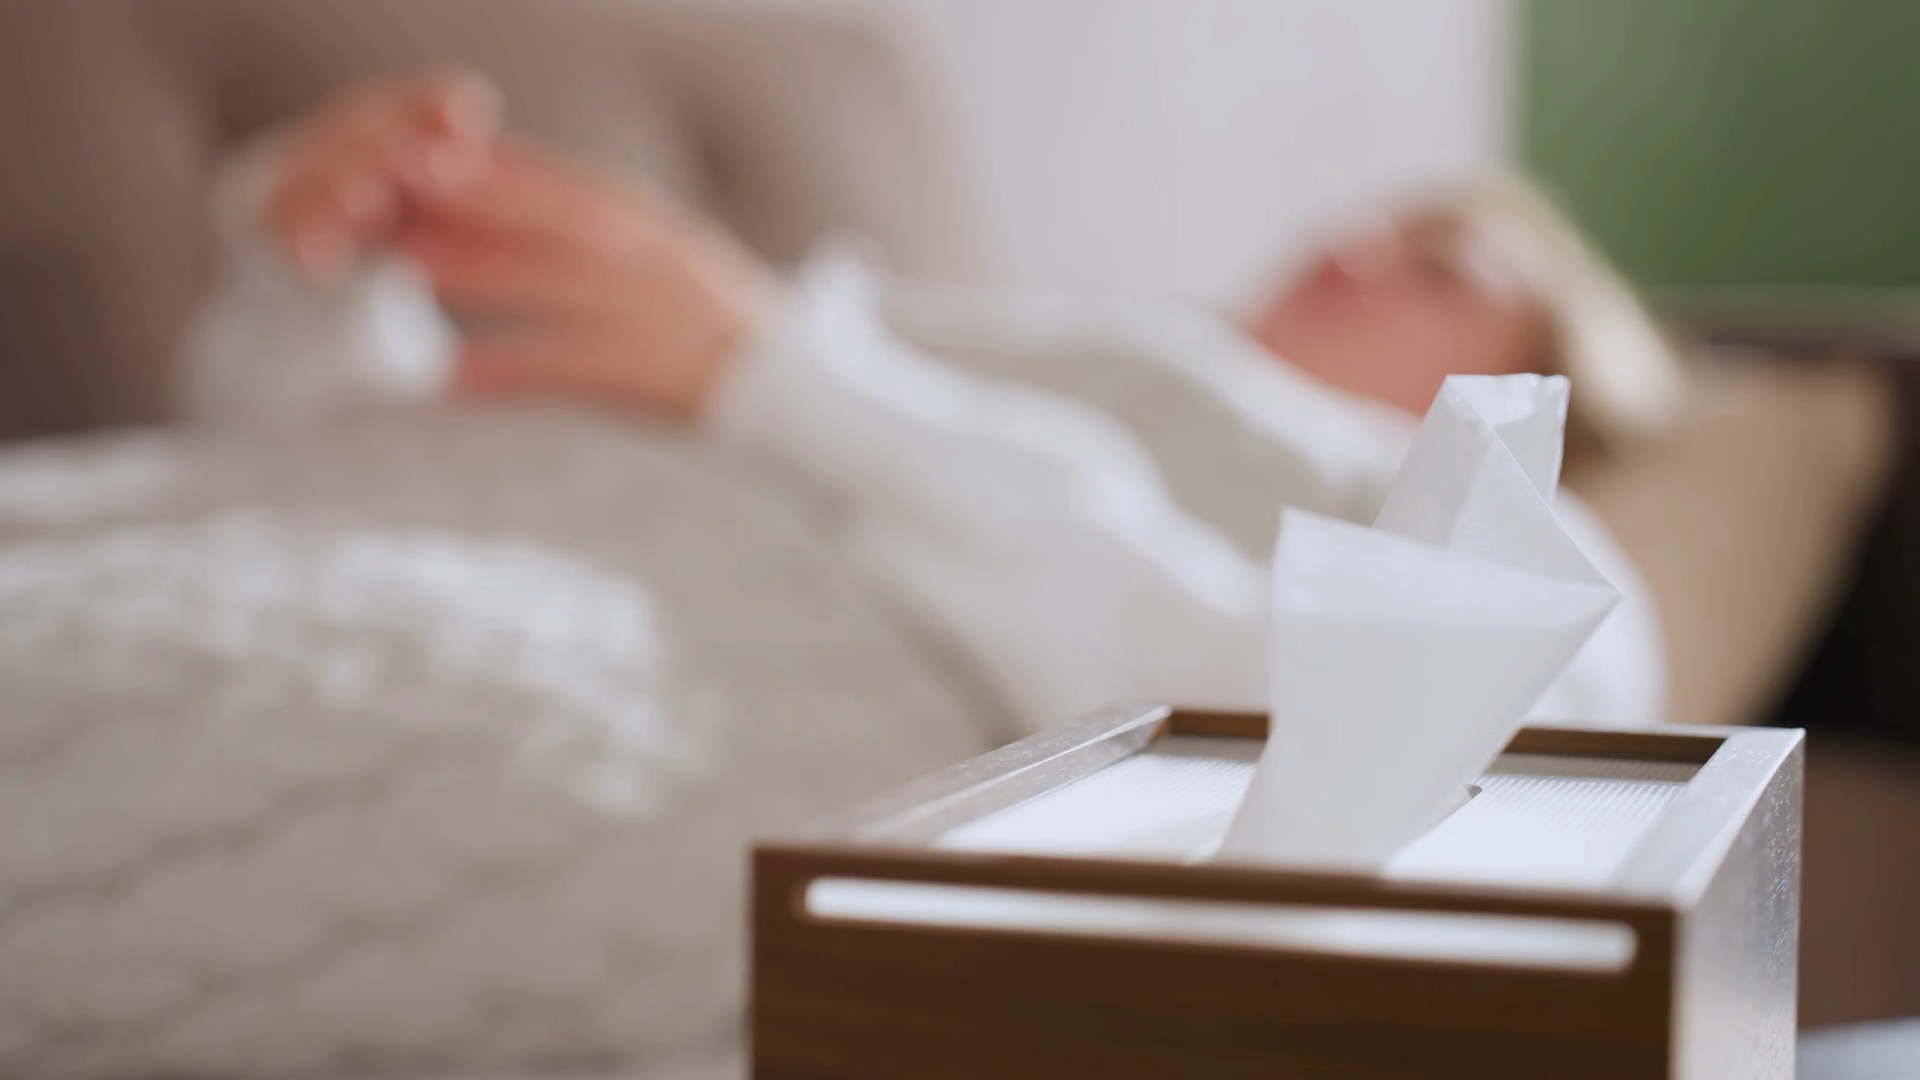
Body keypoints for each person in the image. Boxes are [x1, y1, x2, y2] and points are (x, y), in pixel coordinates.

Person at [185, 70, 1674, 732]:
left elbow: (1417, 722)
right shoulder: (986, 346)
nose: (1355, 245)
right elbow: (302, 451)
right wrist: (312, 273)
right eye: (1384, 219)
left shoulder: (1526, 563)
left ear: (1532, 401)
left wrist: (771, 369)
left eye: (1442, 266)